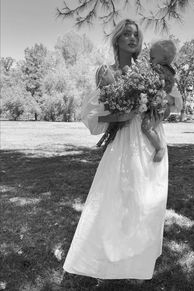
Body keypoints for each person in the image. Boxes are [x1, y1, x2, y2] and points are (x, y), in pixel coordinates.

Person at [63, 19, 182, 285]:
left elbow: (172, 104)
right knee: (117, 198)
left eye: (136, 34)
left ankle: (138, 261)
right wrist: (125, 113)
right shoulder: (107, 72)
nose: (132, 38)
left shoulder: (151, 69)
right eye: (126, 34)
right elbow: (94, 116)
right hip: (125, 140)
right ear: (116, 39)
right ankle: (106, 260)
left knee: (146, 200)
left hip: (151, 139)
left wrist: (160, 106)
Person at [141, 39, 182, 162]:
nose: (149, 60)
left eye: (152, 58)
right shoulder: (159, 69)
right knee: (147, 125)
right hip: (158, 105)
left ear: (164, 59)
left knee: (146, 127)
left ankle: (160, 148)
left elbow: (167, 89)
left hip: (160, 106)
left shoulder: (164, 73)